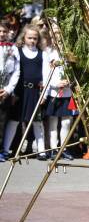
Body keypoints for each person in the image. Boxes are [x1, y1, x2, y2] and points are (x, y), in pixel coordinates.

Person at [2, 24, 50, 161]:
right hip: (20, 92)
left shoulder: (43, 54)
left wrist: (44, 94)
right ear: (24, 37)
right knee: (14, 120)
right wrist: (11, 92)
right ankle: (6, 150)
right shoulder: (17, 51)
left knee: (37, 121)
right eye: (29, 38)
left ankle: (41, 151)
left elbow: (46, 75)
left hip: (35, 91)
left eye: (35, 38)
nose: (32, 41)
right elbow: (13, 72)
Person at [43, 24, 74, 160]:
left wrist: (70, 81)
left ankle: (64, 148)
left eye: (59, 34)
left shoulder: (69, 52)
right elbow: (45, 74)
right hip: (54, 93)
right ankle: (54, 149)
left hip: (67, 92)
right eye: (54, 34)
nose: (57, 37)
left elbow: (75, 71)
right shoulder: (48, 53)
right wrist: (55, 84)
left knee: (67, 122)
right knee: (53, 122)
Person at [0, 20, 20, 162]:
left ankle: (1, 150)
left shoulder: (13, 48)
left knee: (2, 122)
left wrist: (8, 90)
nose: (2, 34)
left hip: (4, 90)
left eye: (4, 31)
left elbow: (16, 72)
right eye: (0, 31)